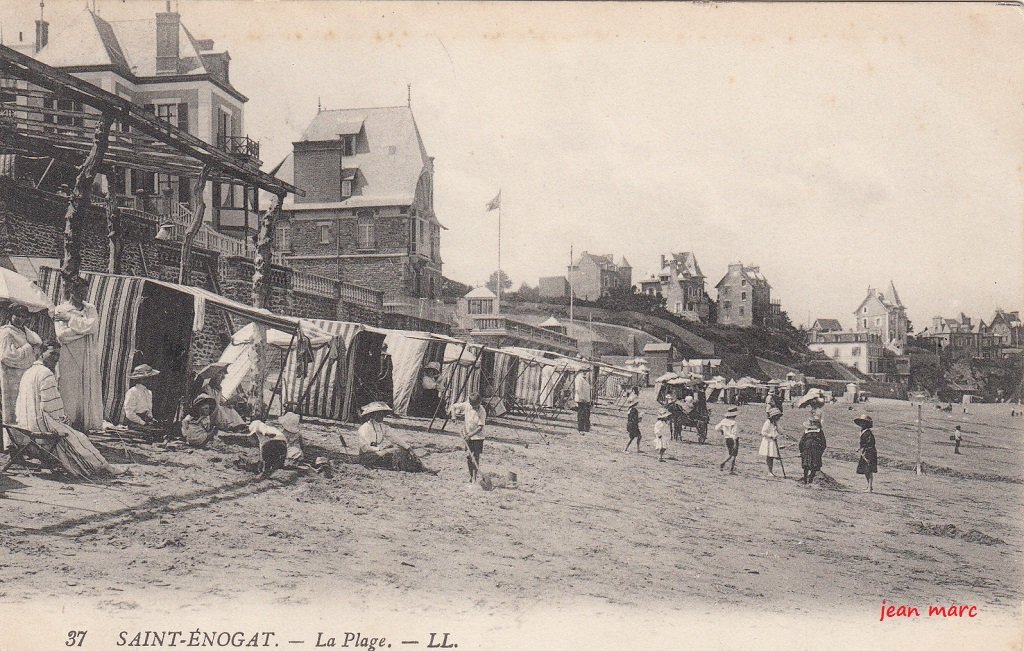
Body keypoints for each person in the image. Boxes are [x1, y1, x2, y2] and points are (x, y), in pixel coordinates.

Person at [15, 340, 117, 478]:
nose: (56, 359)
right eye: (52, 354)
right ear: (41, 353)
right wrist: (64, 420)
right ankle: (102, 466)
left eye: (58, 355)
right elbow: (51, 405)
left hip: (23, 424)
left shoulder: (28, 372)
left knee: (73, 435)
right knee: (79, 438)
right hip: (38, 425)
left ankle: (101, 465)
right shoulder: (45, 373)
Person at [53, 277, 103, 432]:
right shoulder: (60, 309)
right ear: (71, 291)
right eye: (79, 291)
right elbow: (62, 335)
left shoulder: (90, 309)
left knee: (85, 389)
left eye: (85, 291)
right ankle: (68, 424)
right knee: (69, 389)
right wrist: (83, 330)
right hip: (68, 356)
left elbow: (93, 327)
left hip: (87, 355)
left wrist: (70, 319)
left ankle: (83, 425)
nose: (83, 294)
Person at [0, 304, 41, 445]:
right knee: (11, 411)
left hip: (23, 375)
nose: (20, 319)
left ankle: (24, 444)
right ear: (10, 315)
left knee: (23, 409)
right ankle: (12, 446)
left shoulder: (24, 332)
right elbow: (6, 356)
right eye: (17, 315)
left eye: (23, 316)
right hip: (10, 377)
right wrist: (28, 348)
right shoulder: (6, 332)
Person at [356, 401, 435, 473]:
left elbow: (395, 438)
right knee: (395, 451)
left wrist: (408, 447)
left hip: (379, 452)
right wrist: (380, 448)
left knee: (401, 449)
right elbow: (364, 447)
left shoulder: (382, 426)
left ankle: (420, 468)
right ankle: (412, 468)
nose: (382, 416)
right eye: (380, 414)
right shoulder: (365, 428)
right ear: (373, 415)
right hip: (368, 456)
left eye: (383, 414)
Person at [449, 392, 487, 482]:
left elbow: (480, 428)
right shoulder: (467, 405)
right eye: (473, 406)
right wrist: (453, 416)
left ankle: (474, 477)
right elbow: (453, 406)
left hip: (478, 437)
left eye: (477, 405)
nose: (475, 408)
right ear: (470, 403)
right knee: (469, 456)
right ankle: (471, 476)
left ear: (480, 402)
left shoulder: (482, 411)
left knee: (475, 456)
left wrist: (469, 435)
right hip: (467, 435)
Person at [199, 363, 247, 432]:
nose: (220, 382)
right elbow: (212, 401)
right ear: (213, 378)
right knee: (218, 408)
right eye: (219, 380)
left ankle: (239, 424)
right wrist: (221, 403)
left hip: (216, 410)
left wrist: (229, 402)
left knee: (228, 408)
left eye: (221, 380)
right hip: (208, 412)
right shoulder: (207, 387)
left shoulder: (218, 389)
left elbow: (221, 402)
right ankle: (228, 426)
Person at [123, 364, 168, 437]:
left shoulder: (148, 392)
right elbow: (129, 413)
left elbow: (148, 410)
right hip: (135, 422)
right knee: (156, 433)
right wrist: (142, 422)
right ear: (142, 379)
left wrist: (151, 419)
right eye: (149, 378)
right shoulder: (132, 392)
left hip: (145, 422)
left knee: (163, 430)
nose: (151, 380)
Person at [798, 416, 827, 485]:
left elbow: (801, 442)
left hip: (806, 449)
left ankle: (805, 480)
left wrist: (801, 451)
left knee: (806, 466)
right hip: (816, 450)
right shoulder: (819, 431)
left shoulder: (806, 432)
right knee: (815, 465)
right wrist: (821, 451)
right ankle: (810, 480)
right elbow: (824, 443)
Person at [855, 414, 877, 492]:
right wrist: (860, 448)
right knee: (865, 469)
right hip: (864, 452)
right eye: (861, 422)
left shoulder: (868, 433)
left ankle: (870, 487)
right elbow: (862, 443)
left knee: (869, 470)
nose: (862, 424)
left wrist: (865, 451)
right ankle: (869, 486)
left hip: (869, 452)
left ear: (867, 424)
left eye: (864, 422)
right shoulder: (862, 431)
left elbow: (870, 443)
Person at [759, 407, 783, 476]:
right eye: (777, 416)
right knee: (769, 456)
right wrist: (771, 436)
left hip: (773, 442)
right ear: (773, 416)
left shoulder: (775, 423)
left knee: (771, 456)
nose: (778, 418)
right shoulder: (768, 422)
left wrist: (777, 425)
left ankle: (770, 471)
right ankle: (769, 471)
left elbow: (781, 431)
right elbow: (763, 432)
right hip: (768, 441)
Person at [716, 406, 740, 473]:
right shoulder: (734, 423)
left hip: (727, 439)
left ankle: (724, 464)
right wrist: (735, 439)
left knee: (730, 453)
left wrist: (722, 431)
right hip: (733, 439)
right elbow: (734, 433)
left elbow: (717, 428)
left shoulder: (723, 421)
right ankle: (730, 469)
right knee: (734, 455)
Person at [573, 369, 592, 433]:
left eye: (586, 371)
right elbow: (578, 389)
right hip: (581, 399)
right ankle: (581, 428)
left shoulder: (586, 378)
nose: (585, 372)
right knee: (581, 414)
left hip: (586, 398)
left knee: (587, 413)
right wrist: (581, 397)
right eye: (584, 371)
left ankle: (586, 428)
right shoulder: (578, 378)